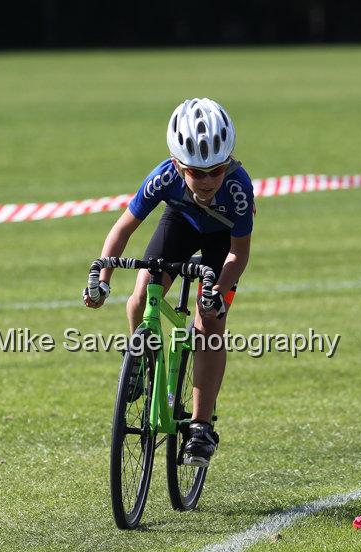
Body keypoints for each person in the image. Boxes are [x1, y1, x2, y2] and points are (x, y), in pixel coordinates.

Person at [83, 98, 254, 468]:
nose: (208, 181)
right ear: (178, 165)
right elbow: (123, 227)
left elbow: (238, 255)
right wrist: (104, 278)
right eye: (196, 172)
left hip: (221, 243)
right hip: (180, 224)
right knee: (141, 295)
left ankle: (201, 426)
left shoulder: (238, 188)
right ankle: (142, 364)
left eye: (217, 170)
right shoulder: (163, 177)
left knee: (209, 322)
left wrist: (216, 290)